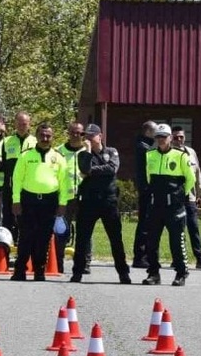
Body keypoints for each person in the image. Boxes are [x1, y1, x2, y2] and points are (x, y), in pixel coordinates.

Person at [71, 124, 130, 284]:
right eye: (86, 136)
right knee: (82, 239)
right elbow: (84, 169)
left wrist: (93, 170)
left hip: (108, 201)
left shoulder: (111, 151)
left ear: (100, 136)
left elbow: (112, 169)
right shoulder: (83, 154)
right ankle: (77, 272)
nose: (89, 139)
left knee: (115, 238)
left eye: (92, 136)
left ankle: (123, 272)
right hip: (89, 201)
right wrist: (89, 153)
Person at [10, 122, 69, 282]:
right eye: (42, 135)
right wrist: (16, 201)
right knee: (26, 237)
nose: (45, 138)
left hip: (49, 202)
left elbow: (64, 183)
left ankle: (39, 271)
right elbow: (16, 179)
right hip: (28, 200)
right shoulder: (25, 155)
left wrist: (62, 204)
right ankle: (19, 271)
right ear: (36, 136)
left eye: (48, 136)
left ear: (52, 137)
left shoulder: (58, 157)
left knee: (43, 238)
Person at [142, 124, 196, 287]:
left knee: (177, 242)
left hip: (174, 207)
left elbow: (191, 179)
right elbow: (148, 177)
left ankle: (181, 273)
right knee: (151, 242)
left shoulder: (180, 156)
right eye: (158, 137)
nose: (161, 140)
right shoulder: (150, 155)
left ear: (170, 138)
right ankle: (153, 273)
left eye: (164, 137)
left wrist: (180, 196)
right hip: (156, 206)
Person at [170, 125, 201, 269]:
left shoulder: (191, 152)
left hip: (190, 198)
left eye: (181, 136)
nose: (179, 139)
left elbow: (197, 173)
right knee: (178, 230)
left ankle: (200, 258)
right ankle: (178, 259)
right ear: (171, 138)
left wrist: (200, 194)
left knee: (194, 228)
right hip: (176, 198)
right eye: (176, 137)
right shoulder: (169, 153)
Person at [54, 122, 88, 274]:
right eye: (73, 132)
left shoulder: (87, 150)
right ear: (68, 133)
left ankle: (84, 263)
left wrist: (88, 150)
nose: (76, 136)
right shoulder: (59, 151)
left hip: (84, 196)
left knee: (85, 231)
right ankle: (58, 262)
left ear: (83, 135)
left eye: (80, 133)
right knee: (61, 231)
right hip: (64, 198)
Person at [1, 111, 36, 244]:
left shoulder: (35, 141)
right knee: (8, 219)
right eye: (19, 123)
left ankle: (26, 246)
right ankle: (7, 246)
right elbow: (2, 165)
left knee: (27, 219)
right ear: (15, 123)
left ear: (29, 124)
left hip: (28, 188)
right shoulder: (7, 141)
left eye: (24, 124)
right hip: (10, 187)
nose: (22, 126)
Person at [130, 120, 157, 269]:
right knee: (144, 223)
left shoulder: (145, 144)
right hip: (146, 189)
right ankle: (140, 256)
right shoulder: (143, 146)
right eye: (155, 132)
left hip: (148, 189)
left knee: (149, 223)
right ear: (148, 132)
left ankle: (145, 254)